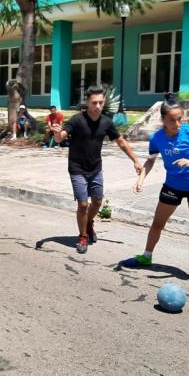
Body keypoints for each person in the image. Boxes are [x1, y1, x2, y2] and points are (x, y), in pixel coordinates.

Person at [121, 100, 189, 283]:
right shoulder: (157, 138)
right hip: (172, 187)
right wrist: (141, 179)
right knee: (157, 225)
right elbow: (151, 160)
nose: (177, 124)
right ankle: (146, 256)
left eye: (180, 119)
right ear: (163, 119)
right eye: (172, 120)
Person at [53, 87, 143, 254]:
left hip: (95, 168)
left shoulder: (106, 122)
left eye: (101, 102)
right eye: (94, 103)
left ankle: (88, 222)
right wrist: (56, 134)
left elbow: (121, 142)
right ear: (88, 102)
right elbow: (60, 137)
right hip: (77, 168)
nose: (98, 106)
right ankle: (82, 236)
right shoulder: (77, 120)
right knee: (83, 204)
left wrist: (136, 161)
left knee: (97, 202)